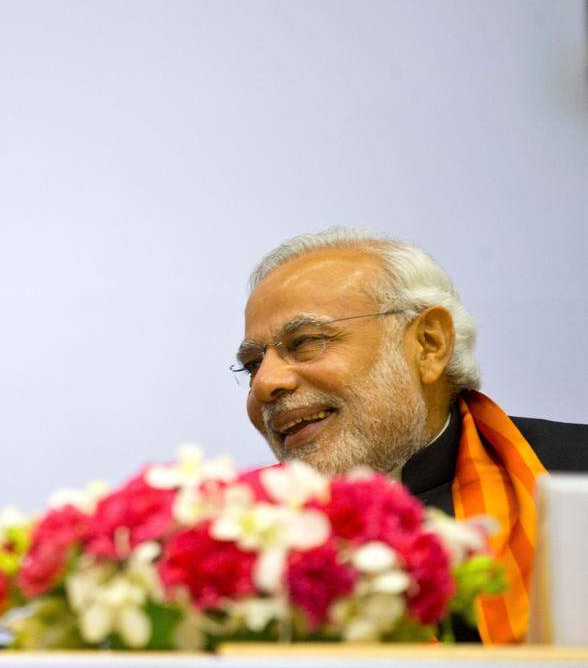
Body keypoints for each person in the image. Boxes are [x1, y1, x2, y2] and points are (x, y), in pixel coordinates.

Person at [235, 226, 587, 645]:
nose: (264, 384)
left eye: (306, 342)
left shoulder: (573, 470)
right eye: (253, 364)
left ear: (428, 345)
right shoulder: (234, 534)